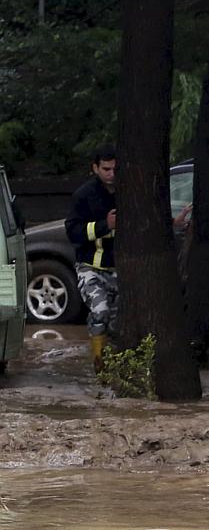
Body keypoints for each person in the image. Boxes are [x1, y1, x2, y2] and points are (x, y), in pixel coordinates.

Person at [65, 146, 118, 371]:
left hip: (121, 269)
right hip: (91, 268)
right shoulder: (84, 195)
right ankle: (99, 367)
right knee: (100, 312)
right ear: (95, 168)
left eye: (115, 169)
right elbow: (73, 232)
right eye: (106, 169)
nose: (111, 174)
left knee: (119, 322)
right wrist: (104, 225)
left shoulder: (130, 191)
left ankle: (119, 366)